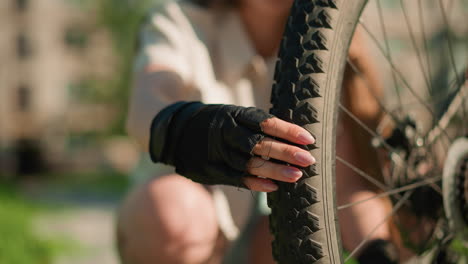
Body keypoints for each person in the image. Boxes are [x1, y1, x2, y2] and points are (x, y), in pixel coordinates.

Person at [117, 0, 403, 263]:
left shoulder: (331, 45)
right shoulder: (182, 19)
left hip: (267, 240)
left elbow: (348, 188)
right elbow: (146, 105)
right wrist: (194, 128)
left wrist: (377, 252)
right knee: (171, 212)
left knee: (292, 231)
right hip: (184, 228)